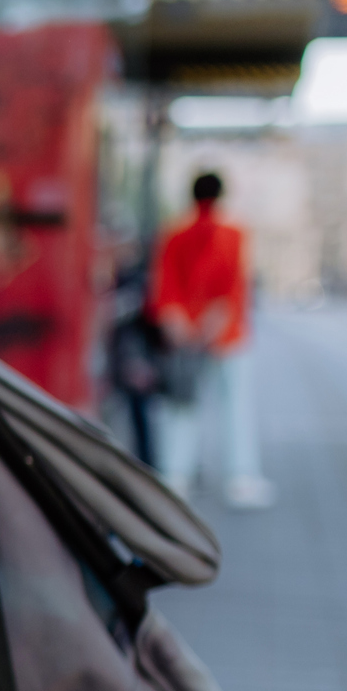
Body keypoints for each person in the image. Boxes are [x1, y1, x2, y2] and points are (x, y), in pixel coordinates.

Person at [148, 172, 274, 509]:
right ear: (221, 196)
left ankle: (176, 476)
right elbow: (234, 287)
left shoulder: (174, 233)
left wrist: (182, 326)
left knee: (181, 405)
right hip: (227, 336)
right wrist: (211, 324)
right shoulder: (234, 234)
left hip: (186, 336)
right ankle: (241, 479)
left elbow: (165, 286)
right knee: (236, 407)